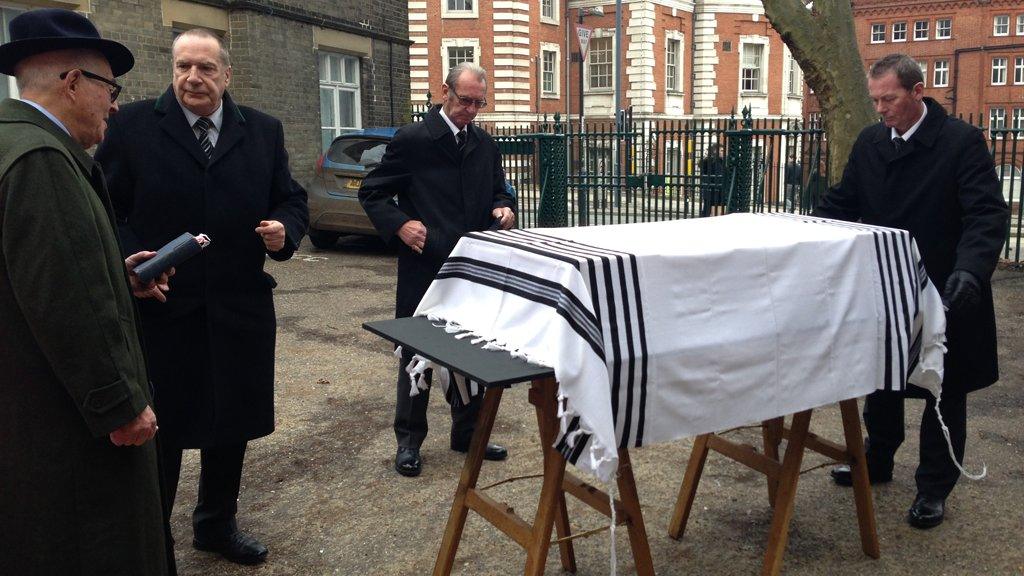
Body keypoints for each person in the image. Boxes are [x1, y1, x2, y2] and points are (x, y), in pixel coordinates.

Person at [94, 28, 308, 565]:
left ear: (226, 74)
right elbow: (107, 208)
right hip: (162, 307)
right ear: (172, 71)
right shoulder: (134, 126)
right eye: (184, 66)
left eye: (206, 68)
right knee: (160, 431)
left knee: (229, 422)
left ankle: (216, 525)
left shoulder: (261, 130)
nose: (194, 77)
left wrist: (284, 228)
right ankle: (152, 540)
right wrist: (130, 258)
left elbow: (291, 199)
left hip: (238, 307)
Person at [0, 8, 175, 574]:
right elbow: (62, 301)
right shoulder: (43, 160)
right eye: (110, 87)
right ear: (72, 82)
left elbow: (36, 269)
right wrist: (120, 405)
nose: (116, 103)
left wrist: (113, 272)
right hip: (65, 428)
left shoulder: (13, 144)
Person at [815, 53, 1008, 529]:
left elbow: (986, 213)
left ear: (918, 91)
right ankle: (877, 459)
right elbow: (846, 201)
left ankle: (934, 487)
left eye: (890, 99)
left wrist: (971, 271)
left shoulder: (962, 142)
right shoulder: (870, 141)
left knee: (944, 389)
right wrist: (802, 228)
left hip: (946, 285)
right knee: (880, 377)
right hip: (885, 283)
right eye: (875, 99)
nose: (881, 108)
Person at [359, 62, 516, 477]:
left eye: (479, 103)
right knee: (417, 351)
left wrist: (503, 206)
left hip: (472, 266)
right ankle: (408, 442)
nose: (471, 110)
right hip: (424, 264)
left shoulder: (485, 144)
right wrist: (400, 224)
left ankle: (467, 433)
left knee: (473, 348)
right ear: (443, 92)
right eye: (465, 100)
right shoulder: (413, 140)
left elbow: (500, 188)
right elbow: (373, 193)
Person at [700, 143, 726, 216]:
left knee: (709, 212)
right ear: (715, 151)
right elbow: (718, 177)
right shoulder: (712, 162)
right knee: (708, 213)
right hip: (712, 191)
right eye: (721, 150)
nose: (723, 152)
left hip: (715, 191)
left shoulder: (720, 161)